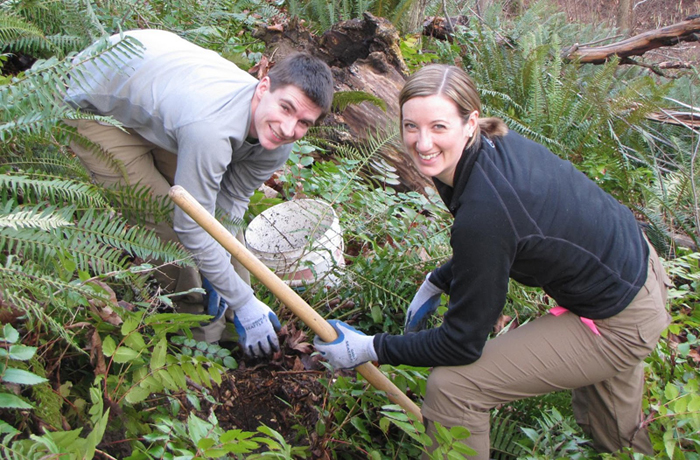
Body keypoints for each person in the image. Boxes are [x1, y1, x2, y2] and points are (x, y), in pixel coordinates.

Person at [313, 64, 672, 458]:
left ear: (470, 123)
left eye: (438, 127)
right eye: (410, 126)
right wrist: (441, 279)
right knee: (616, 438)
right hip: (634, 271)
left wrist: (371, 347)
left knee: (454, 388)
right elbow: (513, 234)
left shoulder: (485, 210)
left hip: (618, 320)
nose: (422, 142)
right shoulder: (491, 148)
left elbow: (461, 345)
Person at [64, 29, 334, 356]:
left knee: (218, 234)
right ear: (263, 88)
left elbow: (227, 209)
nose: (289, 129)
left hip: (155, 95)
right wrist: (240, 297)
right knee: (167, 224)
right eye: (286, 108)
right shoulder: (210, 131)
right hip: (94, 102)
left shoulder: (277, 145)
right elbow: (191, 224)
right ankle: (192, 341)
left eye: (304, 122)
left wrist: (237, 294)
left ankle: (243, 330)